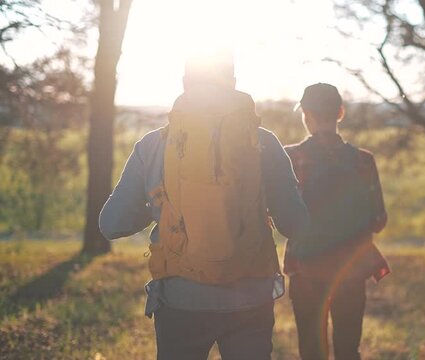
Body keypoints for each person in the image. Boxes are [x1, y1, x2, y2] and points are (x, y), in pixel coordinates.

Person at [99, 51, 309, 360]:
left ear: (185, 84)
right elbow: (296, 225)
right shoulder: (265, 143)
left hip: (180, 298)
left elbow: (111, 224)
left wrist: (161, 202)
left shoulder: (153, 145)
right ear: (234, 84)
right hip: (250, 297)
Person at [284, 83, 390, 360]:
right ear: (340, 112)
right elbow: (379, 220)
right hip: (351, 271)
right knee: (348, 349)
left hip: (304, 270)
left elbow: (281, 217)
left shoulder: (290, 158)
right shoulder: (364, 161)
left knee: (312, 351)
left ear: (306, 114)